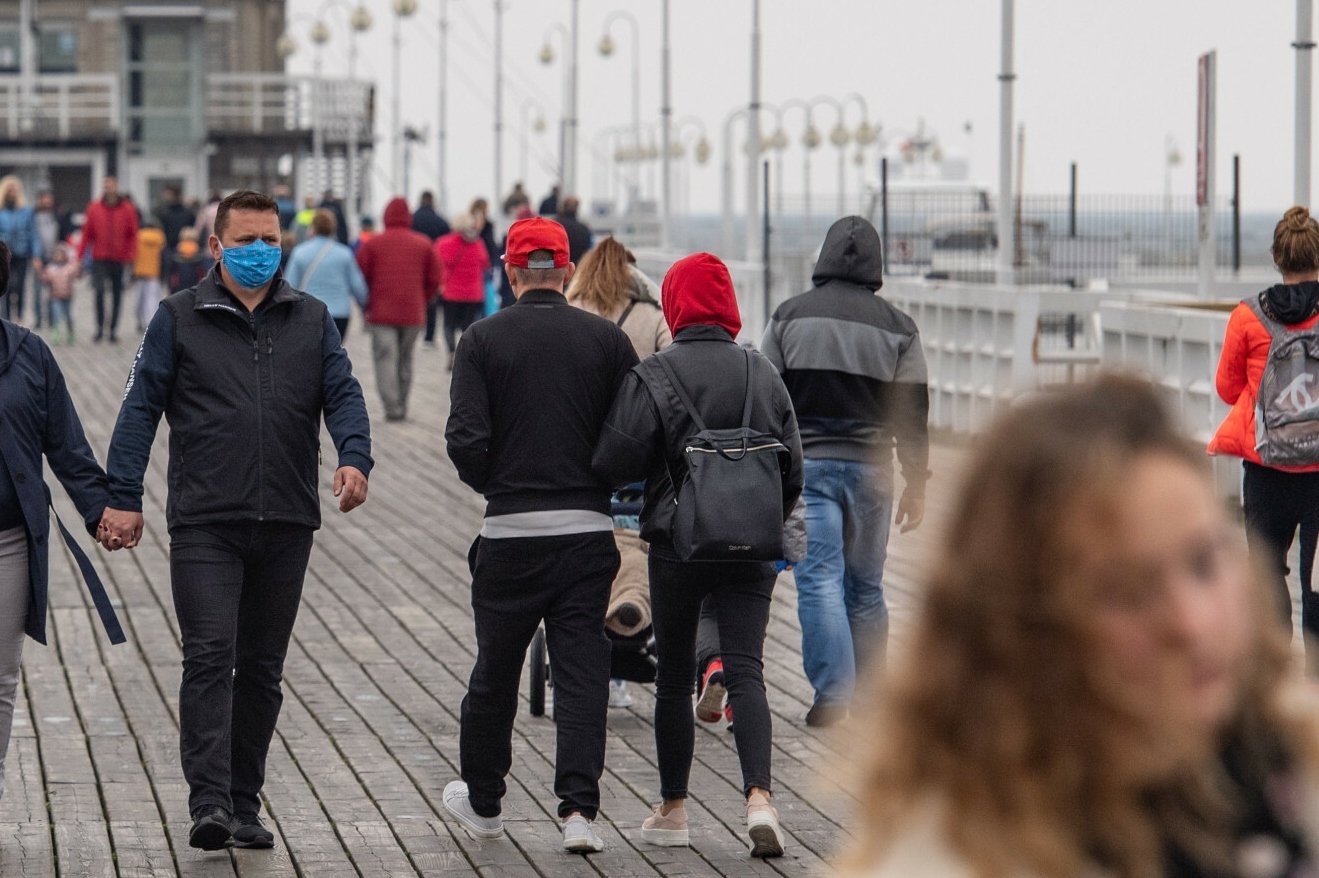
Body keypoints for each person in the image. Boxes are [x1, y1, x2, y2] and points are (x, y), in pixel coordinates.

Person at [842, 373, 1319, 877]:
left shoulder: (1294, 760)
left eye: (1203, 562)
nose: (1191, 624)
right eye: (1129, 594)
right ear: (1022, 628)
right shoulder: (961, 860)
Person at [100, 189, 373, 852]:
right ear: (216, 246)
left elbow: (342, 392)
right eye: (246, 240)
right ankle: (210, 802)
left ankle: (245, 801)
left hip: (285, 518)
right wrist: (123, 494)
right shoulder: (177, 317)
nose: (260, 252)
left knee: (260, 668)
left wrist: (354, 456)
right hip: (204, 520)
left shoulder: (310, 318)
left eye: (269, 240)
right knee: (209, 655)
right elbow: (140, 409)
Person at [592, 252, 803, 859]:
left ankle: (674, 809)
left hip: (677, 544)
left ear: (676, 305)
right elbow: (793, 468)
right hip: (753, 546)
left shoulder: (656, 373)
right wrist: (757, 515)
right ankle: (760, 799)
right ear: (730, 305)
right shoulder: (763, 371)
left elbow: (614, 461)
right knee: (747, 671)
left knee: (676, 677)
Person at [443, 217, 638, 853]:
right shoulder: (607, 341)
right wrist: (596, 484)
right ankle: (579, 814)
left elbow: (464, 440)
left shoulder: (480, 339)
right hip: (586, 533)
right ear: (565, 269)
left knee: (495, 672)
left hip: (509, 531)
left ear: (510, 271)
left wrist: (500, 485)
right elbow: (633, 432)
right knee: (582, 672)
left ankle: (485, 803)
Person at [760, 215, 929, 727]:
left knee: (819, 581)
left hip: (809, 470)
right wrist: (917, 482)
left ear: (823, 257)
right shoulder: (899, 328)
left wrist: (771, 473)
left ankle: (833, 695)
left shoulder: (789, 317)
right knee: (867, 585)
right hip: (873, 473)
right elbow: (913, 412)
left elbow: (767, 400)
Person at [0, 239, 126, 804]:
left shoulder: (28, 354)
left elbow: (67, 445)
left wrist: (103, 510)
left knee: (0, 678)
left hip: (10, 544)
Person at [1209, 204, 1319, 657]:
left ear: (1277, 258)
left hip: (1266, 467)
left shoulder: (1248, 317)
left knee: (1266, 578)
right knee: (1317, 582)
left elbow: (1226, 387)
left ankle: (1275, 683)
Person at [356, 197, 441, 421]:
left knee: (385, 358)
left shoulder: (373, 244)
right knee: (405, 359)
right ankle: (402, 403)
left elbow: (360, 276)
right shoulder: (423, 243)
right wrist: (422, 298)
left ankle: (392, 407)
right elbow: (435, 278)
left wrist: (367, 303)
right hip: (413, 313)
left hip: (381, 313)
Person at [567, 236, 670, 356]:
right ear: (632, 272)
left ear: (585, 271)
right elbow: (671, 353)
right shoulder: (653, 314)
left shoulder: (571, 308)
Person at [285, 208, 368, 341]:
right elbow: (358, 286)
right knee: (334, 355)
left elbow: (290, 286)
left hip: (309, 312)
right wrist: (365, 307)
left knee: (311, 355)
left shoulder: (300, 253)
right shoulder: (345, 254)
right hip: (340, 313)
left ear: (313, 228)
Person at [78, 176, 139, 343]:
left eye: (111, 185)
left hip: (119, 259)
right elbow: (87, 234)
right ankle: (99, 328)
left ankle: (113, 330)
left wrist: (131, 256)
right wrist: (80, 256)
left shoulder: (127, 208)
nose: (108, 188)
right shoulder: (94, 208)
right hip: (100, 257)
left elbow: (132, 234)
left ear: (116, 187)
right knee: (98, 292)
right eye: (106, 186)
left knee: (118, 294)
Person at [435, 213, 490, 371]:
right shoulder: (478, 243)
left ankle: (451, 353)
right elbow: (485, 263)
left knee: (449, 325)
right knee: (468, 327)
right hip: (473, 293)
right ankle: (464, 355)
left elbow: (438, 264)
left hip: (451, 292)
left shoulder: (444, 243)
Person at [0, 176, 44, 325]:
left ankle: (18, 316)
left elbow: (33, 234)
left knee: (19, 287)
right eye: (10, 190)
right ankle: (5, 318)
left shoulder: (26, 211)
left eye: (15, 190)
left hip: (21, 253)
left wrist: (36, 255)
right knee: (5, 286)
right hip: (3, 254)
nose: (12, 193)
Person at [411, 191, 451, 347]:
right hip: (434, 262)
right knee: (431, 299)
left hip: (414, 262)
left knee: (415, 296)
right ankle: (429, 336)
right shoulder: (440, 221)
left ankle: (415, 327)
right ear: (432, 201)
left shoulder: (412, 219)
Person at [33, 190, 73, 329]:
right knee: (37, 289)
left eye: (48, 199)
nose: (46, 201)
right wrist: (35, 256)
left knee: (54, 290)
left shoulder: (58, 216)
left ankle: (52, 319)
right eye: (44, 199)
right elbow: (33, 236)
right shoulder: (34, 216)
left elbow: (64, 235)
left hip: (54, 257)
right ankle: (38, 318)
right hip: (39, 257)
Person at [40, 243, 80, 345]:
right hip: (55, 296)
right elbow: (45, 279)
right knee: (56, 315)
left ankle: (70, 331)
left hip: (67, 296)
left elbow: (77, 274)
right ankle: (56, 332)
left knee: (68, 316)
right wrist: (41, 274)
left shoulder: (69, 267)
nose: (58, 257)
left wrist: (78, 266)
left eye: (61, 255)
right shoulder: (50, 268)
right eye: (56, 255)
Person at [132, 219, 167, 334]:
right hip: (154, 271)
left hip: (140, 271)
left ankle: (139, 320)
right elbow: (163, 255)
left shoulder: (138, 236)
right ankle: (151, 322)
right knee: (152, 299)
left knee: (139, 299)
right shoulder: (160, 237)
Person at [554, 196, 593, 265]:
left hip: (557, 269)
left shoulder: (554, 226)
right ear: (577, 208)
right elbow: (589, 251)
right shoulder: (584, 229)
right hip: (578, 269)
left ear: (562, 207)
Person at [168, 227, 206, 294]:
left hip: (178, 287)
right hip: (195, 285)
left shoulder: (176, 251)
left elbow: (171, 271)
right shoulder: (199, 252)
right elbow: (202, 271)